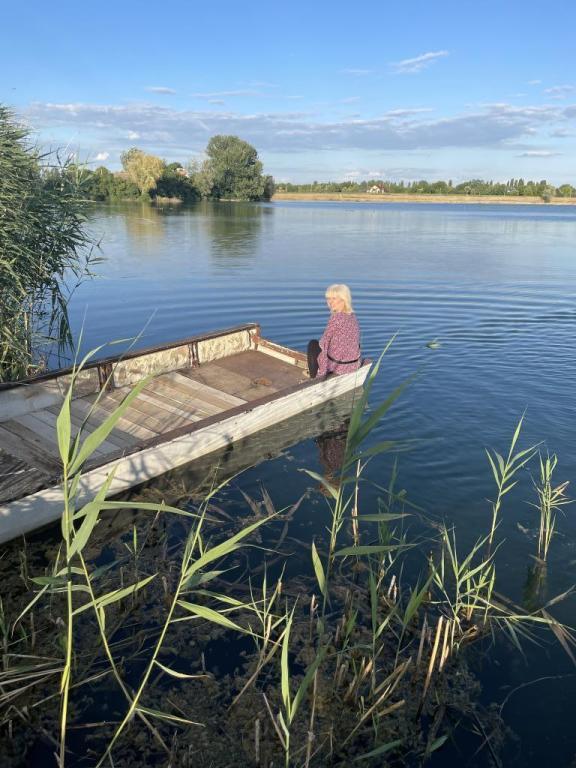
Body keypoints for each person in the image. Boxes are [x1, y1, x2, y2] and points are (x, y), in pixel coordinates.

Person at [308, 284, 361, 378]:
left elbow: (324, 343)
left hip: (338, 367)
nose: (330, 302)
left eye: (334, 298)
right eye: (328, 298)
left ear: (343, 299)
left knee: (313, 345)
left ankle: (313, 378)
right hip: (353, 364)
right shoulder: (352, 316)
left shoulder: (336, 317)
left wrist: (321, 370)